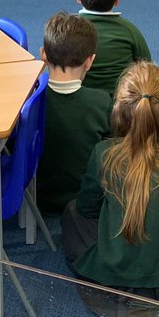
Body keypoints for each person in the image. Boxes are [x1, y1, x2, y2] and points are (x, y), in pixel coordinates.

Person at [61, 61, 159, 308]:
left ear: (120, 109)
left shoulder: (104, 153)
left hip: (117, 279)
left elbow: (87, 208)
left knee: (71, 213)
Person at [37, 12, 111, 214]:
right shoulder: (102, 102)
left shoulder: (29, 101)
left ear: (43, 54)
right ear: (90, 61)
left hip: (36, 197)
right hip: (86, 200)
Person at [75, 0, 150, 96]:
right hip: (122, 105)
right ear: (117, 0)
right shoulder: (129, 30)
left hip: (80, 102)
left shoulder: (67, 30)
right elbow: (147, 67)